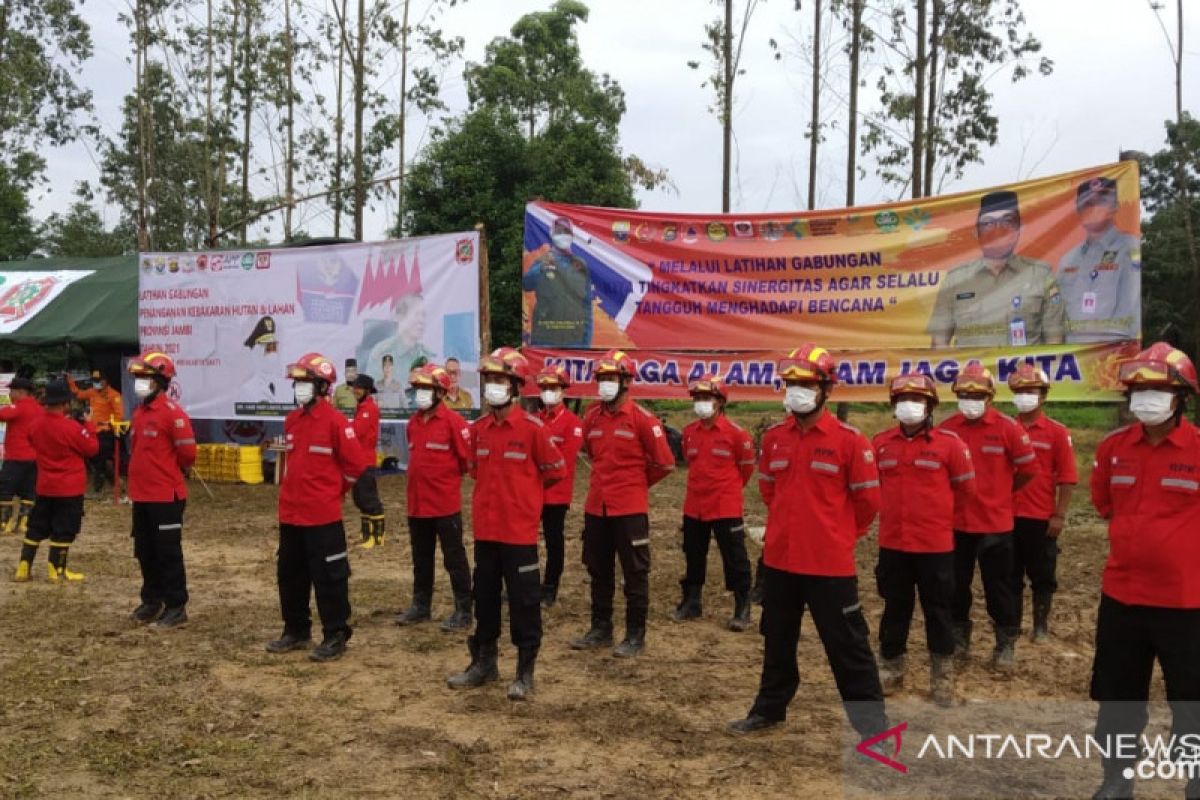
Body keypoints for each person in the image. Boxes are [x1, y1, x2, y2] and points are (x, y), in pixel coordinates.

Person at [728, 344, 888, 745]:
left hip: (829, 567)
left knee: (848, 647)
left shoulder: (851, 441)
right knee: (776, 641)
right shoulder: (776, 438)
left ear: (825, 389)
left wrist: (836, 536)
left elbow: (868, 503)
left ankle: (873, 730)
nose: (795, 391)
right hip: (780, 559)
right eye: (790, 384)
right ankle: (769, 710)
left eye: (804, 384)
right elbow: (769, 490)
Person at [1088, 342, 1200, 799]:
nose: (1144, 398)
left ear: (1180, 398)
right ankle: (1117, 778)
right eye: (1137, 389)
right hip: (1123, 598)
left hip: (1187, 602)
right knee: (1117, 698)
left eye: (1156, 389)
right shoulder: (1114, 448)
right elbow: (1103, 503)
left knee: (1191, 701)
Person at [447, 349, 566, 699]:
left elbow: (555, 473)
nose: (493, 387)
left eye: (500, 380)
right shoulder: (479, 430)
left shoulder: (533, 431)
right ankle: (484, 663)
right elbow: (473, 470)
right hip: (486, 532)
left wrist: (524, 501)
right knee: (484, 598)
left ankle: (524, 672)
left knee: (524, 602)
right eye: (490, 381)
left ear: (515, 386)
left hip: (519, 534)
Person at [872, 373, 976, 707]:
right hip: (893, 544)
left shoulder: (951, 445)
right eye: (903, 399)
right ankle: (891, 669)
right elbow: (871, 490)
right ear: (893, 405)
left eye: (917, 400)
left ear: (930, 406)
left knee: (939, 611)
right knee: (894, 609)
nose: (909, 406)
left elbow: (965, 492)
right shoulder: (881, 444)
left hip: (935, 547)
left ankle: (941, 678)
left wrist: (937, 521)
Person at [569, 349, 674, 658]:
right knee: (598, 569)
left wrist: (636, 485)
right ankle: (600, 628)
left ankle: (635, 634)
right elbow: (590, 451)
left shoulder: (643, 419)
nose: (605, 384)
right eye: (601, 378)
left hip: (629, 509)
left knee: (635, 573)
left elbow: (664, 463)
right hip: (596, 507)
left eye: (611, 378)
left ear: (626, 381)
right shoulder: (591, 417)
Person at [266, 353, 368, 662]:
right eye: (297, 383)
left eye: (305, 383)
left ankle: (335, 634)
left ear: (322, 386)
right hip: (292, 513)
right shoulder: (293, 420)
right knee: (290, 574)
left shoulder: (336, 422)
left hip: (323, 516)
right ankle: (295, 630)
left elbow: (355, 465)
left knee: (330, 577)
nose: (299, 388)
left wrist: (334, 491)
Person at [938, 362, 1038, 671]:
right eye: (964, 394)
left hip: (996, 525)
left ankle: (1005, 643)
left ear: (990, 397)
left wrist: (1001, 494)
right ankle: (958, 637)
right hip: (956, 524)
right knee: (955, 585)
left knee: (1000, 588)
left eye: (976, 394)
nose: (970, 399)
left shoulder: (1009, 428)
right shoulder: (947, 429)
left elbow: (1028, 471)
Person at [671, 374, 756, 632]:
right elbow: (689, 461)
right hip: (694, 505)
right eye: (697, 398)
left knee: (735, 558)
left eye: (706, 398)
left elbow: (746, 468)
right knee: (693, 555)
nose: (701, 403)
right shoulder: (688, 433)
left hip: (725, 506)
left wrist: (727, 491)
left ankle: (742, 606)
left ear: (720, 402)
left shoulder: (737, 435)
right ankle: (692, 602)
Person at [928, 191, 1066, 347]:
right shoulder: (956, 279)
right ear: (976, 233)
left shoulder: (1041, 275)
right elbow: (939, 343)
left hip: (1026, 371)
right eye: (988, 223)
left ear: (1018, 229)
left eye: (1007, 221)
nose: (998, 230)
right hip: (970, 371)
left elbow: (1055, 342)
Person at [395, 362, 474, 631]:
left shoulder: (454, 422)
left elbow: (468, 461)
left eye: (426, 389)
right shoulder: (413, 423)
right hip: (417, 504)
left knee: (454, 558)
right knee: (421, 557)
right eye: (417, 389)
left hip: (444, 504)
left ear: (440, 393)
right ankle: (421, 605)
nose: (420, 394)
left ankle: (464, 609)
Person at [126, 352, 197, 629]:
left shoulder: (172, 414)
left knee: (168, 552)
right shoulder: (141, 412)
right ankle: (151, 600)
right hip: (141, 495)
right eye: (138, 378)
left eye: (145, 378)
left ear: (160, 381)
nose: (140, 383)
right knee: (145, 550)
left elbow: (188, 453)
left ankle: (176, 605)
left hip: (166, 495)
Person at [1008, 364, 1077, 643]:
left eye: (1031, 391)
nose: (1026, 396)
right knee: (1008, 576)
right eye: (1020, 391)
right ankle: (1010, 627)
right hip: (1007, 516)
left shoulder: (1057, 432)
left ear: (1044, 396)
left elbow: (1068, 477)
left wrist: (1059, 516)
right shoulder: (1005, 428)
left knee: (1043, 575)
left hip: (1040, 516)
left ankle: (1040, 626)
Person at [14, 380, 98, 582]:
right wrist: (89, 425)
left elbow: (32, 441)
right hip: (69, 487)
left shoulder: (35, 425)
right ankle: (56, 569)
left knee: (36, 527)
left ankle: (24, 567)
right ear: (65, 403)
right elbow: (92, 449)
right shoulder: (71, 427)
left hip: (44, 485)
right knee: (64, 528)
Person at [1056, 177, 1141, 343]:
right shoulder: (1067, 260)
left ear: (1115, 206)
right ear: (1078, 210)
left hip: (1112, 357)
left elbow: (1133, 314)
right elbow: (1056, 316)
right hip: (1072, 360)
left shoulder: (1130, 248)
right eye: (1087, 203)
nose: (1093, 208)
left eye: (1101, 201)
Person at [534, 364, 584, 608]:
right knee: (525, 540)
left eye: (552, 387)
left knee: (554, 540)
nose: (548, 392)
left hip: (556, 494)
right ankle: (528, 583)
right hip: (532, 492)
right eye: (544, 387)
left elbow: (563, 461)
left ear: (563, 390)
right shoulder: (535, 420)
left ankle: (550, 587)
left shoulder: (573, 424)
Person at [523, 216, 594, 347]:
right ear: (552, 234)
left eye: (567, 232)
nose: (563, 235)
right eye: (559, 231)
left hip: (575, 343)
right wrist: (542, 267)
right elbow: (526, 285)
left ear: (572, 236)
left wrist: (586, 343)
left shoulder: (580, 265)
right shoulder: (542, 261)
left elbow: (587, 305)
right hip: (545, 340)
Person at [67, 370, 125, 497]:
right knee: (95, 459)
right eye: (94, 381)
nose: (96, 384)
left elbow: (119, 415)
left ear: (105, 381)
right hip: (93, 431)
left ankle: (99, 488)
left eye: (98, 381)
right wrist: (70, 381)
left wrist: (108, 424)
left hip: (106, 432)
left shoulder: (114, 395)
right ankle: (114, 482)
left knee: (101, 460)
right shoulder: (92, 392)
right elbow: (78, 394)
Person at [0, 377, 41, 534]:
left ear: (21, 392)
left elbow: (3, 415)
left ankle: (5, 523)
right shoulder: (38, 408)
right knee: (28, 491)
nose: (10, 394)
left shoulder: (20, 407)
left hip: (16, 456)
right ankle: (24, 523)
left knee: (5, 489)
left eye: (12, 391)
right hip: (34, 457)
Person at [349, 373, 386, 549]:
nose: (355, 390)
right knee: (360, 498)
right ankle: (367, 536)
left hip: (365, 460)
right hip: (358, 460)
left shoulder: (369, 409)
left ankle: (377, 537)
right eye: (354, 387)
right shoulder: (362, 407)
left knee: (368, 498)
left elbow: (357, 432)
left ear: (367, 390)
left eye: (359, 387)